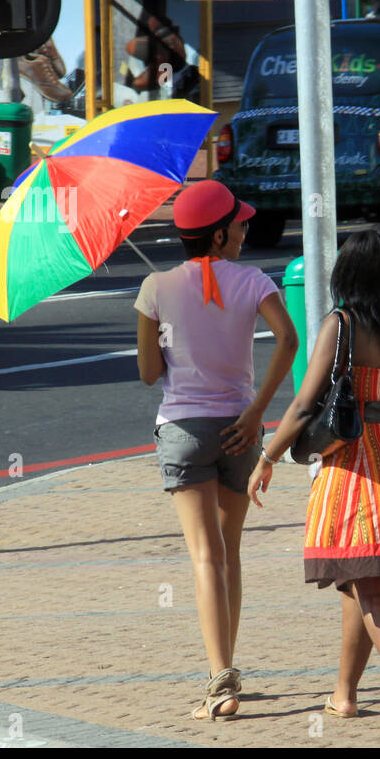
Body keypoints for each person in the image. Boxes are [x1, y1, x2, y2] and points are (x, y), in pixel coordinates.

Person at [247, 226, 380, 730]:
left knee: (368, 586)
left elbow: (304, 406)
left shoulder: (341, 325)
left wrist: (268, 457)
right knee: (359, 580)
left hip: (354, 468)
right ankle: (344, 694)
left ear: (352, 274)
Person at [135, 180, 298, 720]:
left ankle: (219, 679)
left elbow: (148, 374)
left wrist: (165, 333)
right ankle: (225, 668)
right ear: (221, 233)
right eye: (242, 224)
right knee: (229, 552)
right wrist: (257, 413)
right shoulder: (254, 281)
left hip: (182, 429)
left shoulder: (155, 287)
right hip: (240, 430)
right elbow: (290, 340)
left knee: (205, 556)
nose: (247, 230)